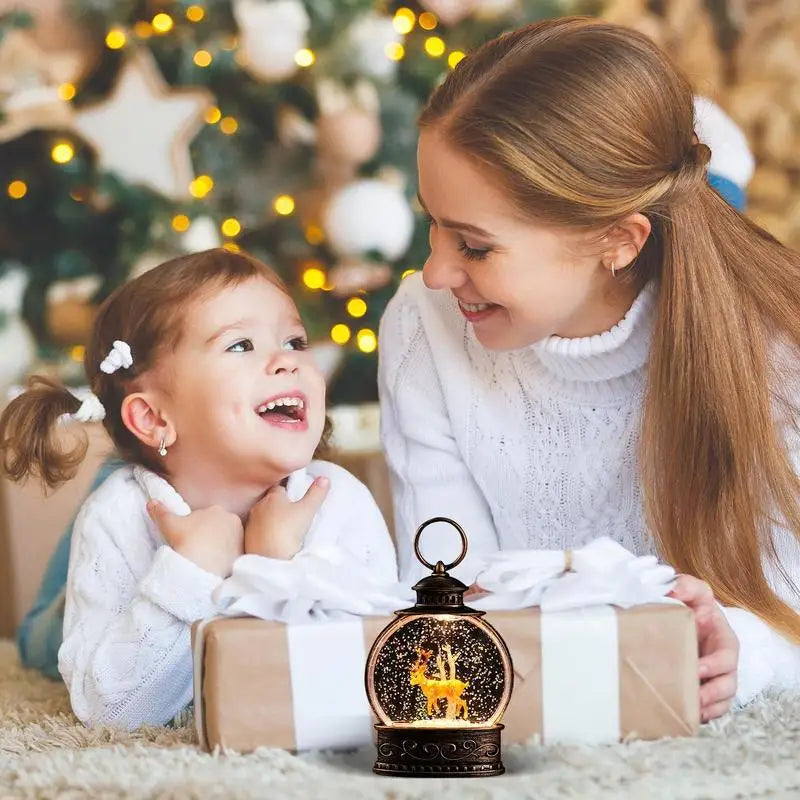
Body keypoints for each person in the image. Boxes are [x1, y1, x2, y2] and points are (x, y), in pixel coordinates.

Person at [378, 17, 800, 724]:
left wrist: (739, 649)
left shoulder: (773, 344)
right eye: (433, 223)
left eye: (476, 247)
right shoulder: (424, 323)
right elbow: (447, 602)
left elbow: (788, 601)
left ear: (618, 241)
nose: (435, 269)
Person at [1, 248, 397, 728]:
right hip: (122, 540)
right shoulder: (119, 514)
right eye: (240, 346)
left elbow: (377, 678)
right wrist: (192, 571)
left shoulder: (336, 500)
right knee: (44, 643)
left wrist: (278, 565)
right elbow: (112, 710)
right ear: (153, 416)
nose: (286, 361)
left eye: (295, 340)